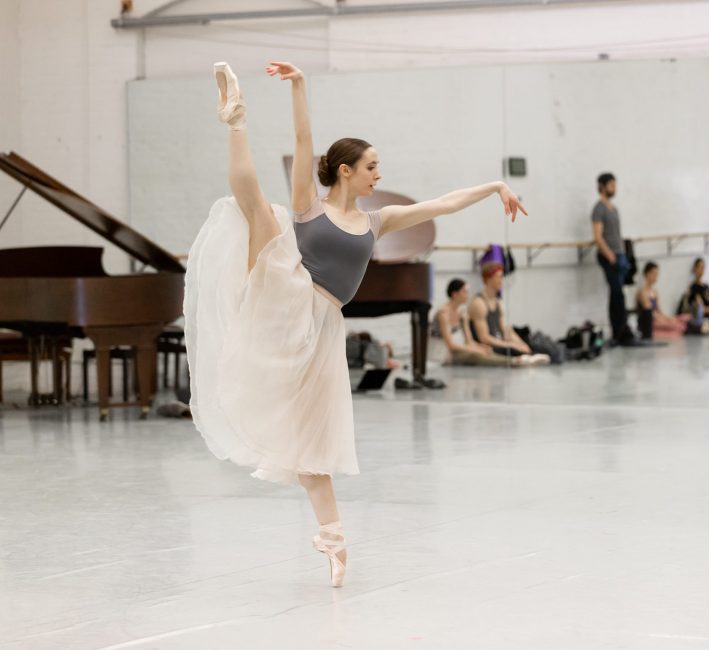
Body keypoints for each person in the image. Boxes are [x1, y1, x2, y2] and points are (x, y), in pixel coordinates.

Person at [183, 61, 528, 588]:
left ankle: (335, 542)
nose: (379, 174)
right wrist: (299, 86)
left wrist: (494, 185)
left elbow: (442, 203)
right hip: (286, 295)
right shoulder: (308, 207)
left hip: (322, 331)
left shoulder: (376, 221)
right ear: (346, 170)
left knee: (311, 447)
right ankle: (236, 120)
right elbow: (305, 141)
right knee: (258, 210)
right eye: (372, 166)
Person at [431, 278, 530, 366]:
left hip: (457, 350)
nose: (467, 295)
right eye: (464, 292)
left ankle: (515, 359)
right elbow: (451, 345)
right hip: (441, 353)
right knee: (475, 355)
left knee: (486, 350)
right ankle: (513, 361)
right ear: (454, 294)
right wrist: (475, 349)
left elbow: (468, 340)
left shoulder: (463, 314)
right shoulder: (443, 314)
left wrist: (480, 347)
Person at [468, 263, 549, 365]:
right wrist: (510, 345)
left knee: (533, 347)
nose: (502, 280)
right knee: (513, 349)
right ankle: (524, 358)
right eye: (499, 277)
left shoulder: (498, 301)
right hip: (488, 347)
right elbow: (484, 338)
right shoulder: (478, 303)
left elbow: (506, 330)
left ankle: (528, 355)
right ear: (488, 278)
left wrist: (521, 344)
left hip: (500, 343)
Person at [591, 172, 636, 345]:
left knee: (619, 294)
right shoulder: (599, 209)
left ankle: (622, 328)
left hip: (620, 255)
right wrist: (609, 254)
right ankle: (618, 331)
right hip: (608, 256)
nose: (614, 188)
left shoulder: (614, 208)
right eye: (611, 185)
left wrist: (622, 253)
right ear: (602, 186)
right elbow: (598, 236)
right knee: (616, 292)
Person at [636, 262, 699, 338]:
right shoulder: (642, 292)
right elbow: (650, 313)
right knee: (676, 325)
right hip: (650, 322)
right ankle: (700, 329)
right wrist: (665, 319)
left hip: (658, 318)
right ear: (647, 274)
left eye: (657, 274)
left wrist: (668, 318)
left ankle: (700, 327)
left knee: (684, 318)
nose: (656, 276)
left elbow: (659, 310)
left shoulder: (654, 291)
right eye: (654, 273)